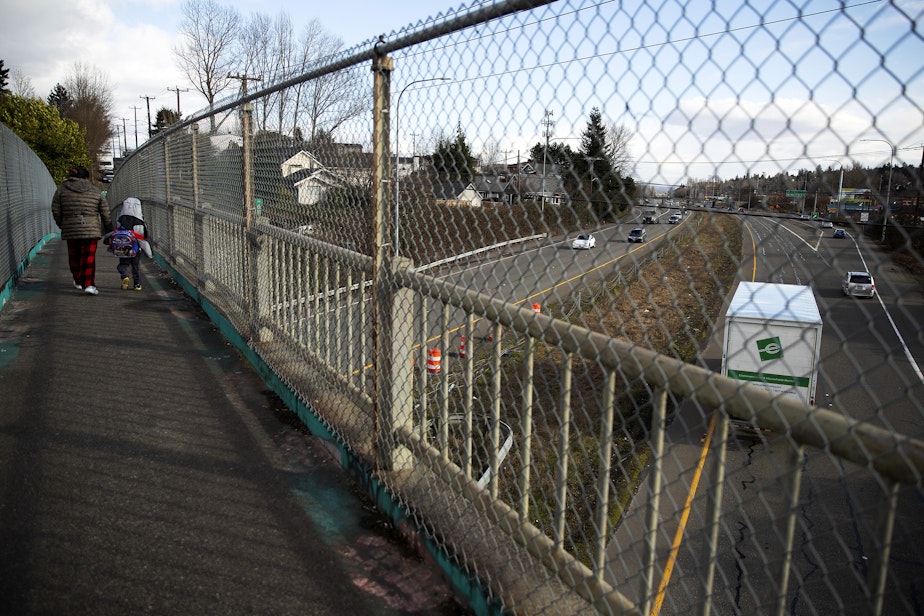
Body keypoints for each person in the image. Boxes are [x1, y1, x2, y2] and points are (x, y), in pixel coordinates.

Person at [51, 166, 112, 295]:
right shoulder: (95, 191)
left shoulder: (61, 190)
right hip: (91, 229)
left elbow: (56, 209)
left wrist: (63, 224)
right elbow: (105, 212)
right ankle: (89, 284)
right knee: (88, 257)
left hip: (71, 227)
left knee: (74, 256)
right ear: (86, 178)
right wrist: (109, 229)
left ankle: (78, 280)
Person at [109, 197, 152, 291]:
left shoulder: (120, 219)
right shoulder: (140, 222)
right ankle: (137, 284)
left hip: (122, 249)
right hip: (135, 249)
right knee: (135, 267)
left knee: (122, 265)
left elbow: (115, 233)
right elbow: (142, 240)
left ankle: (125, 276)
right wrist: (149, 254)